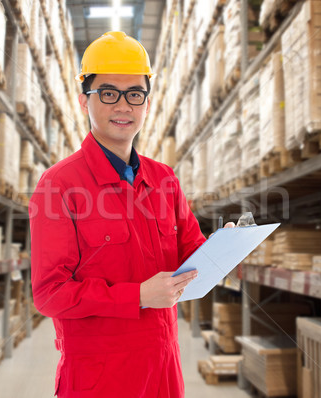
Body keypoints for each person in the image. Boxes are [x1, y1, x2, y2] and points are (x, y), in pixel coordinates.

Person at [29, 31, 208, 397]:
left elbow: (193, 252)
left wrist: (228, 246)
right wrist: (138, 296)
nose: (123, 106)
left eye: (135, 95)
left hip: (164, 368)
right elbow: (50, 293)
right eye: (109, 94)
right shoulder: (59, 185)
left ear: (146, 102)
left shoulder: (163, 179)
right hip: (101, 377)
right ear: (84, 101)